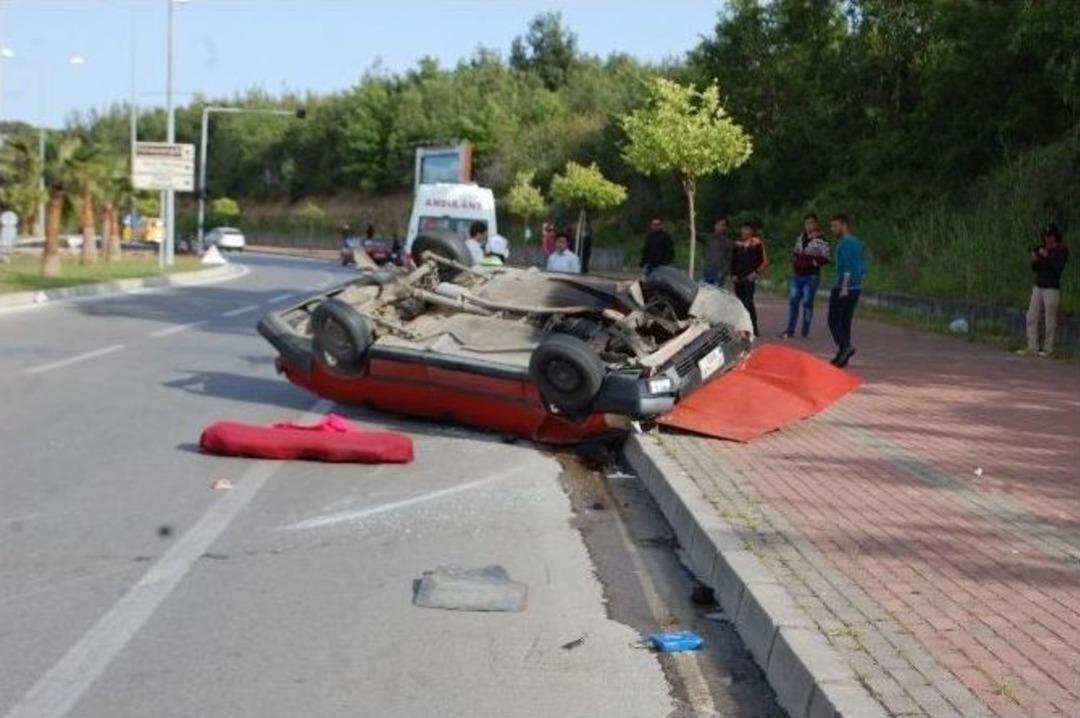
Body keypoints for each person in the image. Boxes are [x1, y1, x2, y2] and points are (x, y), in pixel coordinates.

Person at [780, 213, 831, 339]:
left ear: (816, 224)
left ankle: (805, 330)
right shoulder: (800, 238)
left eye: (811, 223)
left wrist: (814, 263)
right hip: (797, 275)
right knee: (793, 301)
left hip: (811, 276)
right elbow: (794, 253)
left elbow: (826, 257)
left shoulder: (821, 240)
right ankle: (790, 330)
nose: (809, 226)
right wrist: (795, 261)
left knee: (807, 302)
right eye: (806, 223)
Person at [1021, 224, 1069, 357]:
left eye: (1050, 236)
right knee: (1031, 315)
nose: (1048, 239)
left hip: (1052, 287)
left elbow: (1057, 267)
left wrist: (1046, 256)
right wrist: (1035, 259)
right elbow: (1035, 268)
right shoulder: (1042, 248)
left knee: (1050, 318)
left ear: (1055, 236)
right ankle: (1032, 346)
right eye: (1046, 236)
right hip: (1039, 285)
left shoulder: (1061, 250)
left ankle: (1048, 348)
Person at [827, 214, 868, 367]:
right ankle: (843, 355)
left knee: (833, 320)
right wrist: (860, 280)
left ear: (843, 225)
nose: (833, 229)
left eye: (835, 226)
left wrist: (844, 286)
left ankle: (845, 347)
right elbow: (864, 264)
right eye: (832, 226)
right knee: (845, 321)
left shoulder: (844, 243)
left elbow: (846, 266)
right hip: (856, 287)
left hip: (843, 287)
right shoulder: (858, 242)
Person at [730, 221, 768, 336]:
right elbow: (733, 261)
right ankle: (742, 327)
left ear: (752, 231)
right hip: (738, 277)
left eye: (748, 229)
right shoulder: (737, 244)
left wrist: (756, 273)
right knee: (740, 303)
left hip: (750, 277)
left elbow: (763, 261)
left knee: (748, 302)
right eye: (743, 229)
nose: (745, 232)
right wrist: (733, 274)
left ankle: (753, 327)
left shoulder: (757, 244)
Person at [699, 217, 732, 287]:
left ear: (725, 228)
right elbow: (694, 234)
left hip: (718, 275)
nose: (720, 227)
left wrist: (723, 273)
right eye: (718, 224)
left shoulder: (727, 242)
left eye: (722, 225)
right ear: (715, 225)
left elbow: (729, 260)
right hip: (706, 271)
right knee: (702, 291)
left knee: (715, 292)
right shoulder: (708, 237)